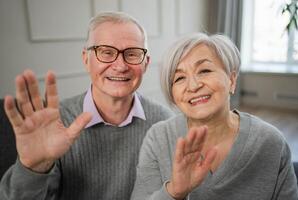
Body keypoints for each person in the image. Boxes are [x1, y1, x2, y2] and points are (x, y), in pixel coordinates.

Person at [0, 12, 173, 200]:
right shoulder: (55, 124)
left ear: (146, 63)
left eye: (132, 54)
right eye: (106, 52)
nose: (120, 65)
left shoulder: (164, 122)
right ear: (86, 59)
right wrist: (33, 168)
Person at [130, 33, 298, 200]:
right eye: (180, 78)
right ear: (173, 94)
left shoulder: (270, 142)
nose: (194, 86)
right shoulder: (158, 138)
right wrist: (174, 192)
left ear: (231, 80)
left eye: (204, 70)